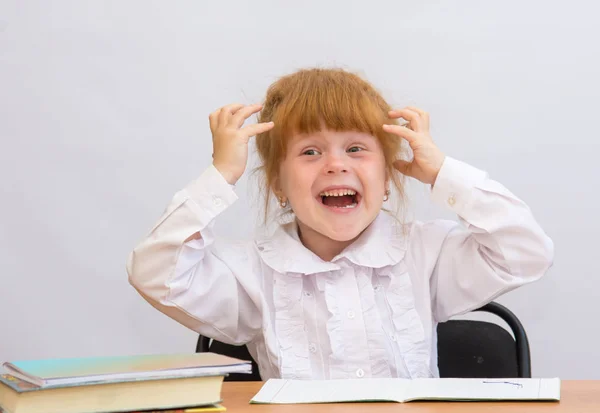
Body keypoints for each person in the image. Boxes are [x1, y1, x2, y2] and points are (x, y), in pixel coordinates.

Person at [127, 68, 553, 380]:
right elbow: (156, 274)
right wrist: (220, 175)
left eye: (355, 149)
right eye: (310, 152)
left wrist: (443, 172)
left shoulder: (426, 253)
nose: (335, 165)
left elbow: (526, 253)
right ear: (278, 184)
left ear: (387, 177)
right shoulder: (251, 271)